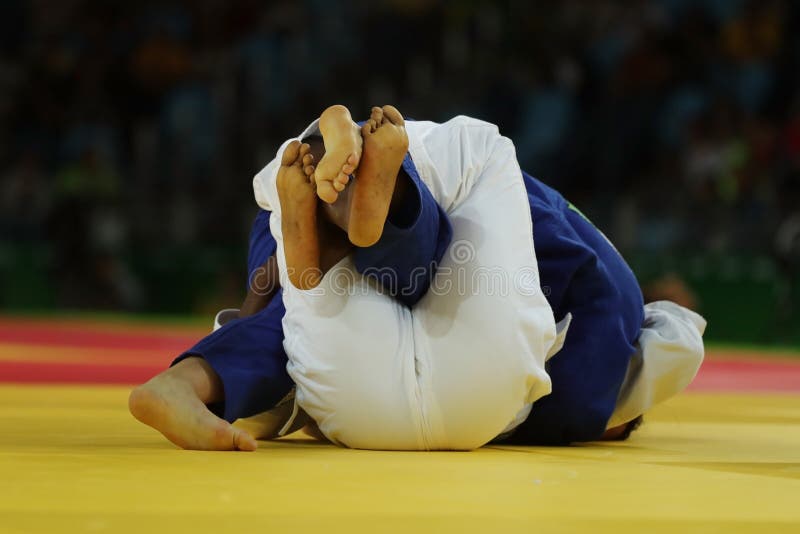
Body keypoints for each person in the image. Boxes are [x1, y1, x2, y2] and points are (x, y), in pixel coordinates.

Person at [129, 105, 706, 451]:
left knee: (301, 314)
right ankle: (361, 205)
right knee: (384, 284)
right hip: (439, 389)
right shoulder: (581, 395)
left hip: (385, 300)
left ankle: (194, 376)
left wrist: (264, 291)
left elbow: (638, 311)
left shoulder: (612, 299)